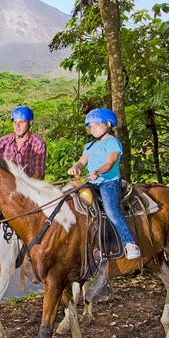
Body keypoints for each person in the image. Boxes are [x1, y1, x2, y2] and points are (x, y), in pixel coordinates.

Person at [67, 108, 141, 260]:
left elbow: (109, 163)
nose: (93, 128)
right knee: (69, 197)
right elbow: (82, 161)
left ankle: (130, 243)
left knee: (111, 210)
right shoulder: (89, 145)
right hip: (91, 183)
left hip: (109, 183)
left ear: (108, 124)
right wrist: (76, 167)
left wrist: (97, 172)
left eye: (96, 125)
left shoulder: (113, 142)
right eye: (91, 126)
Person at [0, 106, 47, 179]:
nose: (17, 126)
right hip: (4, 187)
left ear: (30, 123)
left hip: (28, 187)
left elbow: (38, 174)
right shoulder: (3, 142)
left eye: (21, 122)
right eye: (15, 122)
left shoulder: (37, 143)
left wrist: (21, 187)